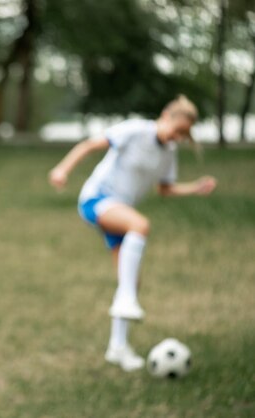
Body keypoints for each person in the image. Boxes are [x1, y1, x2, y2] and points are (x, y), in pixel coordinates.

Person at [48, 95, 216, 372]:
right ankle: (126, 301)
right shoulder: (136, 130)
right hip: (96, 200)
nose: (178, 137)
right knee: (141, 225)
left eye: (184, 135)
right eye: (177, 130)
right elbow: (90, 144)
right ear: (166, 116)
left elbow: (165, 188)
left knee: (130, 282)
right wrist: (62, 169)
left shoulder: (168, 153)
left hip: (119, 212)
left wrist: (194, 188)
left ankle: (118, 347)